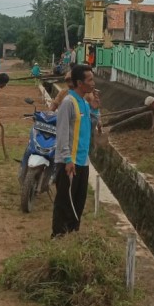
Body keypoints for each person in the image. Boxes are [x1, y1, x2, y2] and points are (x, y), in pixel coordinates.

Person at [52, 63, 96, 237]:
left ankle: (72, 234)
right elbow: (62, 133)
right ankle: (58, 236)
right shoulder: (68, 103)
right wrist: (67, 159)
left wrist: (95, 109)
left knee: (78, 202)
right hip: (69, 162)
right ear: (79, 83)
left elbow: (89, 127)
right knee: (64, 201)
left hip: (82, 161)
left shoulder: (84, 103)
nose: (93, 83)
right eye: (90, 80)